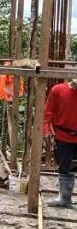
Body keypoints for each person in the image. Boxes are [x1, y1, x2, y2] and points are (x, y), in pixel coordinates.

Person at [44, 79, 77, 207]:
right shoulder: (58, 90)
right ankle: (65, 197)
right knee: (64, 167)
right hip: (63, 135)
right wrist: (47, 130)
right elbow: (48, 113)